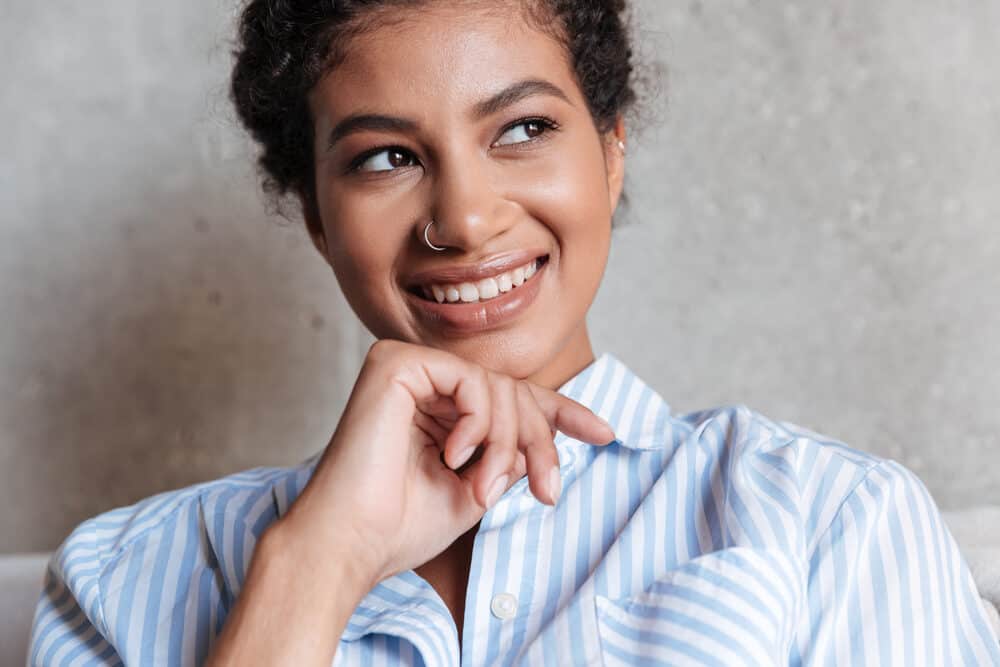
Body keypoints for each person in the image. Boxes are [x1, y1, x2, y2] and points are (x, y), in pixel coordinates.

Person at [27, 1, 1000, 665]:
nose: (465, 216)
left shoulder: (828, 520)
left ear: (610, 157)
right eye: (386, 156)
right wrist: (312, 564)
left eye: (523, 129)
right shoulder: (127, 577)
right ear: (316, 215)